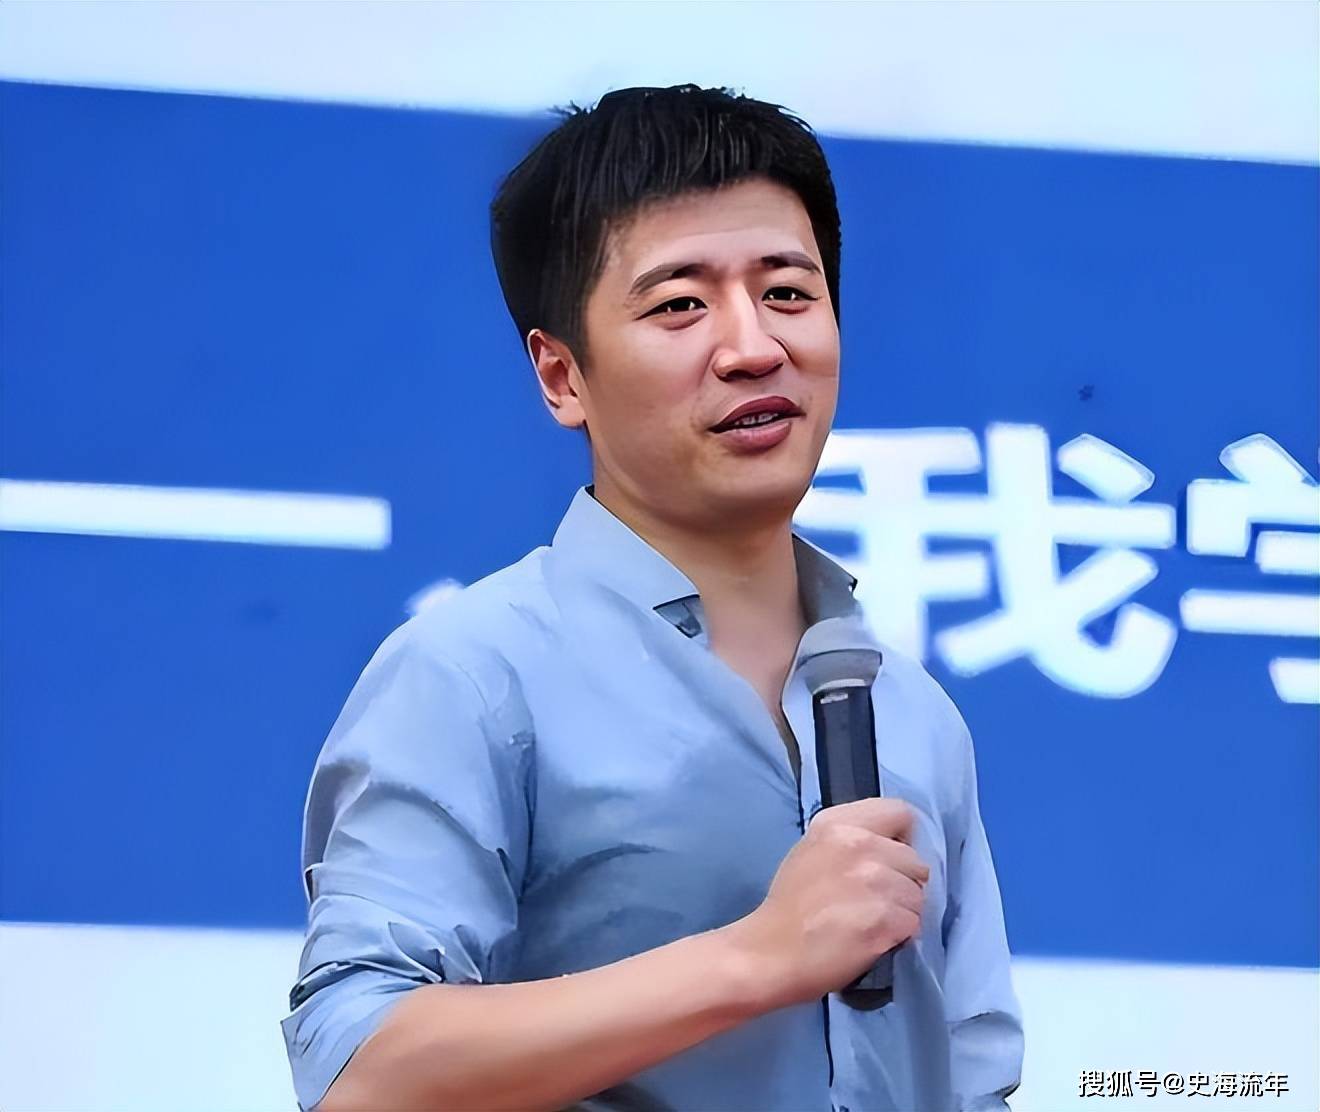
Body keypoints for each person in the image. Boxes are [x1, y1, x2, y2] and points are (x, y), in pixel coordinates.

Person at [281, 84, 1024, 1112]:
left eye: (788, 292)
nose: (753, 346)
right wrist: (756, 957)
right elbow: (360, 1070)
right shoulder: (476, 673)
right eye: (680, 304)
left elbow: (975, 1077)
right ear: (562, 375)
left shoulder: (911, 709)